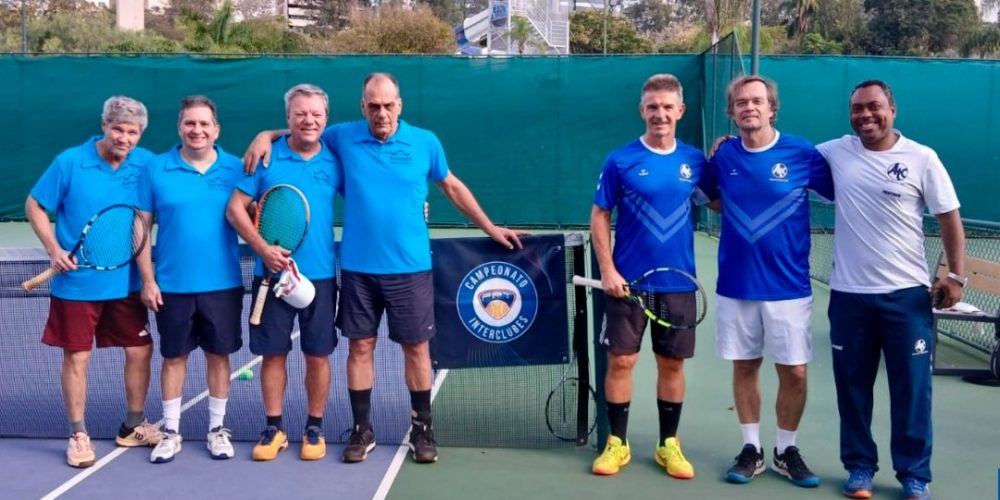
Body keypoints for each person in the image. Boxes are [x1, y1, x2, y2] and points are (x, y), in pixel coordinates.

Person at [242, 72, 524, 464]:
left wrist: (490, 227)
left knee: (416, 348)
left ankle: (422, 430)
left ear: (399, 105)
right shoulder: (342, 137)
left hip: (410, 268)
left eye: (388, 105)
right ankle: (362, 430)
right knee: (360, 347)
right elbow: (304, 129)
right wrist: (265, 135)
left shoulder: (425, 142)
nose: (382, 113)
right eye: (373, 106)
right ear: (363, 107)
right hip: (358, 270)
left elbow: (452, 186)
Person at [816, 80, 965, 500]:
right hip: (849, 297)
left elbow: (949, 217)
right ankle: (859, 466)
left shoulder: (922, 158)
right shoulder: (834, 152)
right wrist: (729, 144)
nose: (865, 115)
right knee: (852, 388)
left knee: (912, 389)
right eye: (857, 109)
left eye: (874, 107)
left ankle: (914, 473)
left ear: (892, 110)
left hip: (907, 298)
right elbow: (783, 152)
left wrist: (956, 276)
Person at [701, 75, 833, 488]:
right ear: (732, 111)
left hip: (788, 287)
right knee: (745, 366)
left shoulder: (802, 153)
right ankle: (752, 448)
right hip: (736, 284)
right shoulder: (723, 155)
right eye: (741, 102)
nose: (750, 107)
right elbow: (713, 200)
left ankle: (786, 450)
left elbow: (840, 191)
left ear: (772, 108)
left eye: (757, 101)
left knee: (795, 372)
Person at [24, 96, 161, 468]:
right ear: (104, 126)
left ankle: (133, 425)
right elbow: (34, 204)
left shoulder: (147, 164)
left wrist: (268, 135)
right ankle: (78, 434)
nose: (124, 138)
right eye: (118, 129)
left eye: (132, 132)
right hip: (77, 285)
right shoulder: (70, 162)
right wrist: (53, 248)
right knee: (78, 357)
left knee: (140, 350)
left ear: (140, 134)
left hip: (126, 282)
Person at [588, 74, 708, 479]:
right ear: (642, 110)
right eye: (652, 107)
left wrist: (728, 153)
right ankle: (616, 443)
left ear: (680, 111)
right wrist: (608, 269)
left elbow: (719, 200)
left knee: (671, 364)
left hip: (679, 284)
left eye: (667, 107)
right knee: (621, 361)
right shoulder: (620, 160)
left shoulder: (695, 161)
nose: (660, 114)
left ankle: (668, 445)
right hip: (629, 285)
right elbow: (600, 214)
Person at [226, 84, 340, 462]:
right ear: (288, 117)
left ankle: (314, 427)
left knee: (317, 354)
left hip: (319, 278)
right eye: (300, 114)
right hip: (271, 276)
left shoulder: (336, 157)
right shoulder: (266, 157)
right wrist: (263, 249)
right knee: (273, 354)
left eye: (316, 114)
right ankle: (274, 428)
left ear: (326, 118)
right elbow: (235, 210)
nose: (309, 120)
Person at [136, 96, 245, 463]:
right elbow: (141, 228)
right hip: (171, 286)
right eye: (190, 123)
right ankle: (170, 431)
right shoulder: (155, 168)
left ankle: (217, 429)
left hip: (223, 285)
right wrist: (148, 280)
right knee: (173, 358)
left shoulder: (237, 168)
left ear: (216, 129)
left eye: (204, 124)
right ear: (180, 127)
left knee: (219, 356)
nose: (197, 130)